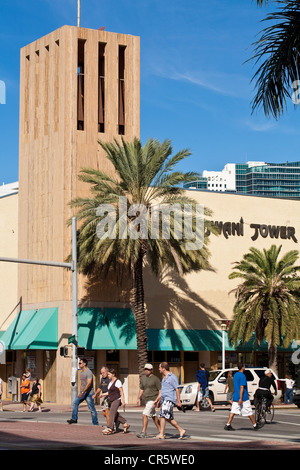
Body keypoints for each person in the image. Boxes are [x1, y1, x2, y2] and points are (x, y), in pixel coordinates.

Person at [153, 362, 186, 439]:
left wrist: (178, 401)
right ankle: (180, 430)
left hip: (169, 399)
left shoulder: (172, 377)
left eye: (159, 367)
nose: (159, 369)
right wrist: (157, 400)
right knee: (166, 417)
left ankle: (162, 434)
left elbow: (177, 389)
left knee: (163, 416)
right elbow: (162, 392)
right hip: (165, 399)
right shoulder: (164, 379)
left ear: (163, 368)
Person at [224, 363, 258, 431]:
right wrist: (241, 398)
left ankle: (228, 424)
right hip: (243, 397)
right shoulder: (243, 376)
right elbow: (242, 387)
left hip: (236, 395)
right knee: (249, 411)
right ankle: (255, 425)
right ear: (243, 367)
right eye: (244, 366)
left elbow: (237, 386)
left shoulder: (235, 375)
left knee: (233, 411)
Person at [67, 358, 99, 426]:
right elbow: (83, 384)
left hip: (89, 394)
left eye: (80, 363)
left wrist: (82, 393)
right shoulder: (81, 372)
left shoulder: (88, 372)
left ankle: (95, 424)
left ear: (84, 364)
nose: (79, 364)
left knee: (92, 409)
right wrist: (81, 391)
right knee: (75, 403)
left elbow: (89, 383)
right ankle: (74, 419)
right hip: (83, 392)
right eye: (79, 363)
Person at [102, 368, 130, 435]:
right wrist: (102, 394)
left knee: (111, 412)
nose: (108, 375)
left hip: (117, 399)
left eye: (109, 374)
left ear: (113, 374)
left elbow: (121, 392)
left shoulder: (118, 382)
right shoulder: (110, 382)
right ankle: (125, 423)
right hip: (111, 399)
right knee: (115, 413)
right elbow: (109, 392)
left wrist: (123, 401)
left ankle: (110, 428)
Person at [136, 363, 161, 438]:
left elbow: (160, 390)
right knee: (153, 416)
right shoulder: (143, 378)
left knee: (145, 414)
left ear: (151, 370)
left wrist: (158, 400)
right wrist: (138, 398)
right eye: (145, 369)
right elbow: (141, 389)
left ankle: (143, 432)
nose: (146, 371)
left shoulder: (155, 379)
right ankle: (161, 431)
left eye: (148, 369)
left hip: (153, 399)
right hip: (147, 400)